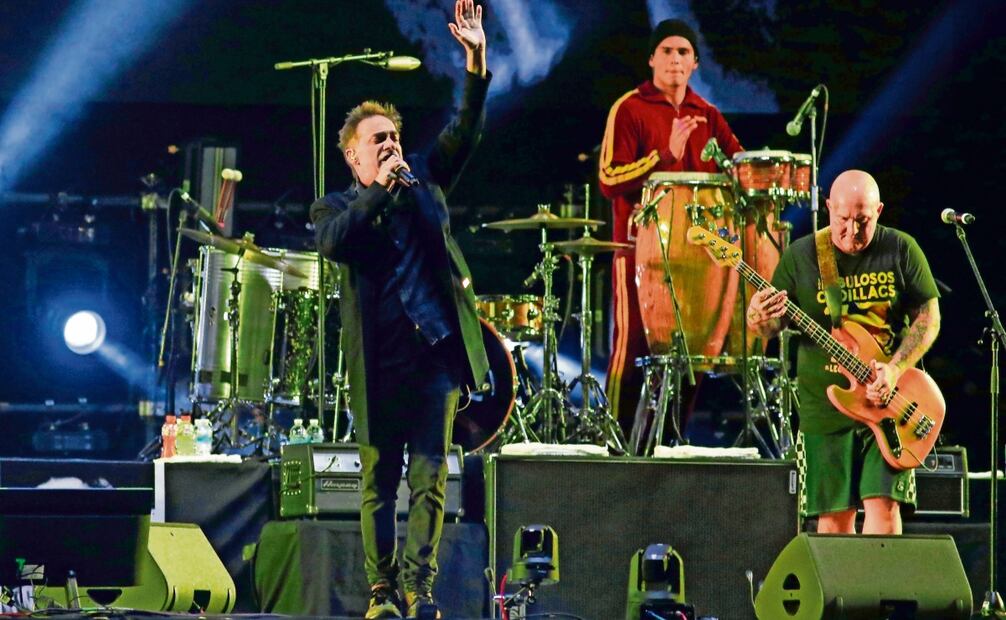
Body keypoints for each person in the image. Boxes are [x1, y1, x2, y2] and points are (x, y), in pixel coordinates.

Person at [309, 1, 489, 617]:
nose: (390, 146)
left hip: (432, 352)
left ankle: (421, 588)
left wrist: (476, 62)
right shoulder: (334, 208)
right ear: (354, 158)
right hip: (379, 362)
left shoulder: (426, 187)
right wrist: (380, 191)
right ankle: (381, 589)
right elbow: (336, 245)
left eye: (394, 137)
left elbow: (464, 130)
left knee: (431, 479)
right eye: (377, 141)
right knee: (379, 482)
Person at [746, 169, 941, 534]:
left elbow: (928, 318)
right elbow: (768, 328)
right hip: (825, 411)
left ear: (879, 211)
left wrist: (895, 370)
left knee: (883, 510)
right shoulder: (802, 256)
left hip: (889, 405)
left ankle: (884, 592)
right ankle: (843, 595)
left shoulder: (900, 248)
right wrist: (758, 315)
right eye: (843, 220)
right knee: (833, 521)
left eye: (863, 221)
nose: (852, 231)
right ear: (828, 207)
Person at [598, 18, 743, 435]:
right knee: (632, 351)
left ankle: (669, 442)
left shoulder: (708, 115)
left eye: (683, 52)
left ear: (695, 62)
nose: (675, 59)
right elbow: (609, 179)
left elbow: (738, 163)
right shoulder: (629, 108)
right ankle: (617, 440)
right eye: (667, 50)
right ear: (651, 59)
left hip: (698, 260)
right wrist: (666, 153)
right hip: (639, 254)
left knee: (693, 354)